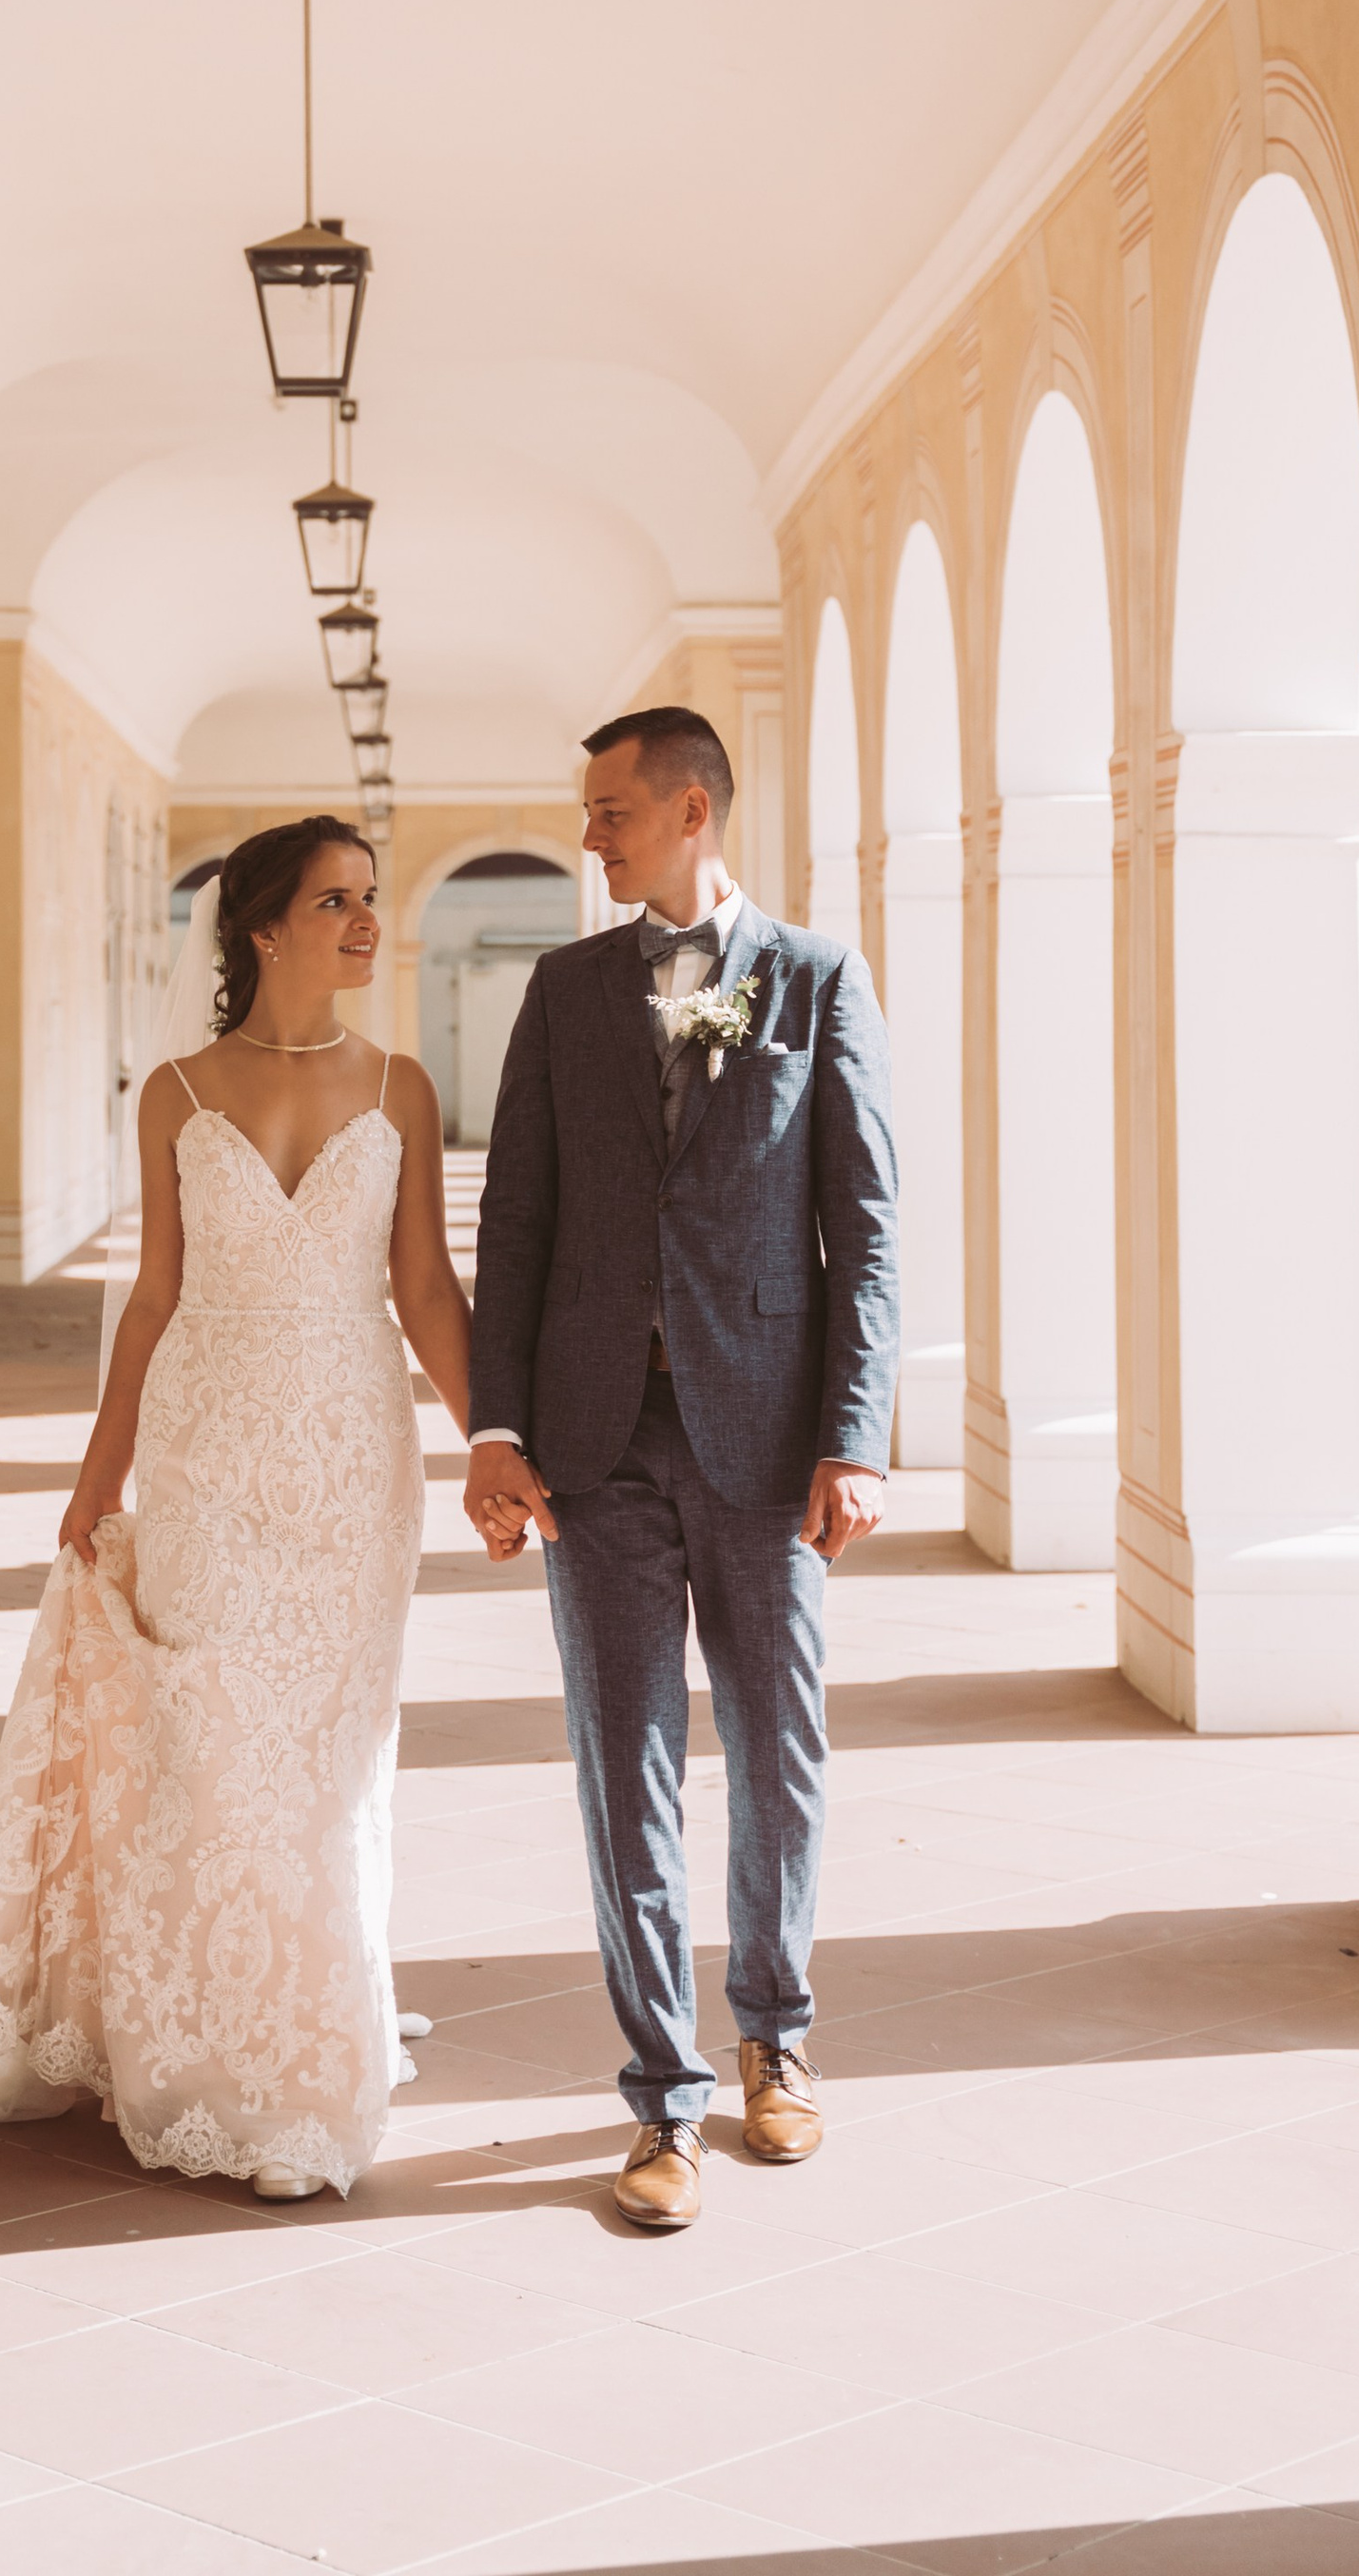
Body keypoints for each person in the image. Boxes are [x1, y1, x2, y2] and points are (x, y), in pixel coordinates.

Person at [0, 814, 474, 2201]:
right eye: (337, 901)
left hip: (351, 1461)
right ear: (264, 927)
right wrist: (99, 1471)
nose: (366, 922)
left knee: (327, 1758)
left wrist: (500, 1440)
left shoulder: (403, 1086)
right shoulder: (178, 1093)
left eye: (371, 897)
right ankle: (207, 2042)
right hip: (208, 1454)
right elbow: (154, 1296)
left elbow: (428, 1288)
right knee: (210, 1743)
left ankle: (307, 2046)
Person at [465, 706, 900, 2231]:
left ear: (692, 808)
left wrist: (854, 1434)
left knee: (778, 1747)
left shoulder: (818, 978)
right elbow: (516, 1217)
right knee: (623, 1762)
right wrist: (496, 1426)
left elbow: (866, 1223)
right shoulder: (564, 989)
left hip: (767, 1439)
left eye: (612, 811)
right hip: (593, 1441)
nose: (590, 835)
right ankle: (663, 2094)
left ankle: (776, 2034)